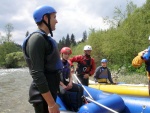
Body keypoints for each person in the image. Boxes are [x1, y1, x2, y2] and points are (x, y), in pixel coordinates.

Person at [22, 5, 62, 113]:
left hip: (49, 92)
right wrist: (51, 103)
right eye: (54, 17)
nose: (56, 21)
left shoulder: (44, 38)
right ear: (45, 18)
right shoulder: (37, 39)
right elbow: (37, 73)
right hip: (42, 97)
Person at [59, 47, 83, 111]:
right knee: (64, 92)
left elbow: (70, 75)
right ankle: (70, 109)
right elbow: (55, 78)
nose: (67, 56)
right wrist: (63, 86)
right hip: (57, 83)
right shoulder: (57, 63)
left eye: (68, 54)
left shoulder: (68, 63)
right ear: (62, 54)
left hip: (64, 81)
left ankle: (79, 107)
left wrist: (70, 82)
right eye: (65, 54)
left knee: (80, 88)